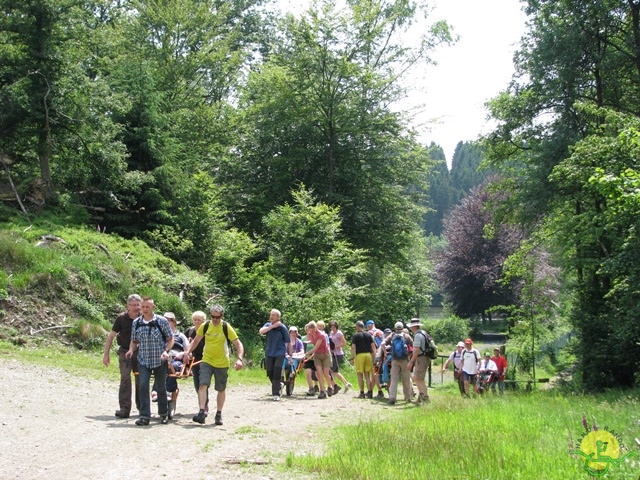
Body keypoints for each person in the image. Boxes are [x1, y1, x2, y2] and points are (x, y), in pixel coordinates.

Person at [182, 304, 244, 425]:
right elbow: (195, 341)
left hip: (222, 362)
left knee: (221, 389)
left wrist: (239, 359)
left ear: (222, 316)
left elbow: (238, 344)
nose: (215, 319)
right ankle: (201, 412)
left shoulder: (226, 327)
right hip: (207, 360)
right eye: (213, 317)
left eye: (218, 317)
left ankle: (219, 414)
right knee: (202, 385)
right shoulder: (205, 326)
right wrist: (187, 352)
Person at [126, 297, 174, 426]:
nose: (145, 309)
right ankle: (144, 416)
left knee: (160, 388)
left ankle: (163, 414)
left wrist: (166, 351)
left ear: (153, 307)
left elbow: (170, 339)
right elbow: (134, 341)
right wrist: (131, 350)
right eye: (143, 307)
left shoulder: (162, 321)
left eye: (147, 307)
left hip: (159, 359)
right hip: (143, 359)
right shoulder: (136, 322)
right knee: (143, 386)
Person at [103, 294, 142, 419]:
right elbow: (111, 336)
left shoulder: (144, 318)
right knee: (125, 378)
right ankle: (124, 409)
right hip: (125, 351)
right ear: (128, 305)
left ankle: (142, 408)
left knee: (140, 379)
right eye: (133, 305)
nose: (136, 307)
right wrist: (106, 354)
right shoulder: (121, 318)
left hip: (141, 353)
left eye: (138, 305)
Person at [258, 309, 292, 401]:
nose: (271, 316)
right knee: (269, 372)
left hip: (279, 353)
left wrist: (290, 355)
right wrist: (272, 327)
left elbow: (288, 341)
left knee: (277, 372)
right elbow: (261, 331)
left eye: (273, 315)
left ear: (278, 317)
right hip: (269, 352)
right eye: (271, 315)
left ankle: (275, 394)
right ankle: (279, 385)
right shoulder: (268, 325)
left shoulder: (282, 327)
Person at [377, 321, 413, 405]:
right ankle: (408, 398)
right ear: (402, 328)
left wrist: (385, 352)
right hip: (405, 360)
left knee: (394, 380)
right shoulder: (406, 336)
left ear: (395, 328)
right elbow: (413, 345)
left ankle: (392, 398)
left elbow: (382, 343)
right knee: (406, 379)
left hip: (395, 360)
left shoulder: (392, 336)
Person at [163, 312, 190, 407]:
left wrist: (183, 353)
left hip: (176, 359)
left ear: (174, 322)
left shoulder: (181, 335)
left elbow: (188, 349)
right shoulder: (160, 334)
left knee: (172, 367)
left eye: (168, 320)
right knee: (159, 367)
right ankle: (156, 391)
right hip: (163, 358)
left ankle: (169, 391)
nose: (165, 322)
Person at [304, 321, 334, 399]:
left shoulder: (321, 335)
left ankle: (330, 386)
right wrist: (302, 343)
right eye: (310, 330)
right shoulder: (310, 333)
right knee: (319, 374)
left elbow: (315, 347)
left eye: (313, 330)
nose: (312, 332)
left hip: (325, 354)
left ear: (316, 328)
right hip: (317, 355)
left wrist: (306, 353)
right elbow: (309, 341)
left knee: (326, 374)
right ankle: (322, 391)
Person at [185, 311, 208, 413]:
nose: (196, 322)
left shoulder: (207, 332)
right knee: (196, 384)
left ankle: (204, 406)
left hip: (205, 360)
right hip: (193, 360)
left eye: (199, 320)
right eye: (195, 320)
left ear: (203, 321)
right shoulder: (189, 331)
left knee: (203, 383)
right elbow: (184, 345)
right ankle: (202, 405)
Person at [406, 318, 431, 404]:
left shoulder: (417, 336)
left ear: (413, 327)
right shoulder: (423, 333)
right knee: (417, 378)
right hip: (424, 357)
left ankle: (425, 398)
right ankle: (421, 397)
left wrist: (411, 362)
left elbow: (416, 350)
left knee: (418, 378)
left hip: (421, 358)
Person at [350, 320, 377, 399]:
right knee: (367, 375)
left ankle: (361, 393)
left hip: (360, 355)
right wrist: (375, 357)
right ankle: (370, 392)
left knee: (359, 375)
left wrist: (352, 358)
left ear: (358, 327)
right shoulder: (368, 335)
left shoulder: (356, 336)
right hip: (368, 355)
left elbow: (353, 348)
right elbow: (373, 346)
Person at [329, 320, 351, 393]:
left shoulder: (339, 333)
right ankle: (346, 384)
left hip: (338, 354)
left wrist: (336, 346)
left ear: (336, 327)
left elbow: (344, 343)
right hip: (332, 353)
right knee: (335, 372)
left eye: (334, 327)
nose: (332, 328)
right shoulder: (331, 333)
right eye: (331, 327)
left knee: (331, 370)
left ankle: (333, 386)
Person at [365, 320, 385, 398]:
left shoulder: (368, 333)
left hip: (373, 354)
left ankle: (379, 391)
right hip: (381, 354)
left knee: (374, 372)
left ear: (368, 326)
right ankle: (371, 390)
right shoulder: (380, 332)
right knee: (375, 372)